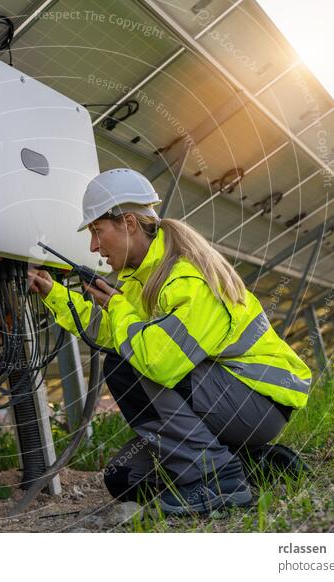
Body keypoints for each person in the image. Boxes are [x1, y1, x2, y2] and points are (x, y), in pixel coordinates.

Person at [27, 168, 311, 515]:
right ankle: (251, 462)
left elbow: (158, 363)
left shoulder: (187, 277)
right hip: (226, 404)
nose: (93, 246)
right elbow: (112, 331)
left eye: (97, 231)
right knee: (125, 478)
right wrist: (53, 293)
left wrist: (117, 305)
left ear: (128, 223)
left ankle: (219, 479)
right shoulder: (141, 276)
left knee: (125, 365)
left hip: (256, 403)